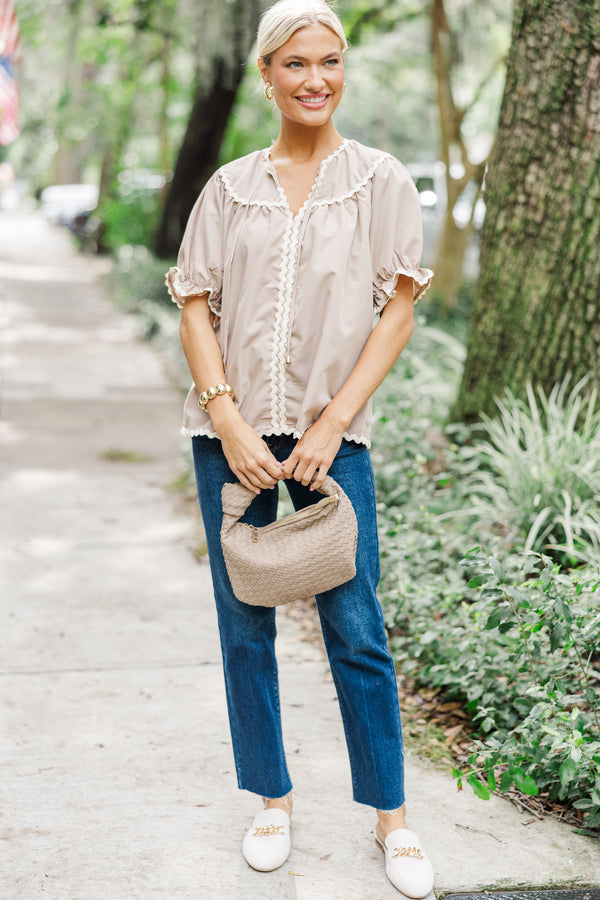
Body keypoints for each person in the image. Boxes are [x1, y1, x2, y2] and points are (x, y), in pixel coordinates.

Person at [166, 0, 434, 895]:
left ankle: (392, 821)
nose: (315, 79)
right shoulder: (229, 188)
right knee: (245, 628)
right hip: (229, 437)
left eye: (329, 60)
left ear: (342, 68)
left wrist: (329, 422)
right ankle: (272, 801)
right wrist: (229, 420)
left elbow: (396, 310)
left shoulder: (378, 180)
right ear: (266, 76)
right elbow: (195, 307)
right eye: (295, 64)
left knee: (356, 629)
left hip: (334, 437)